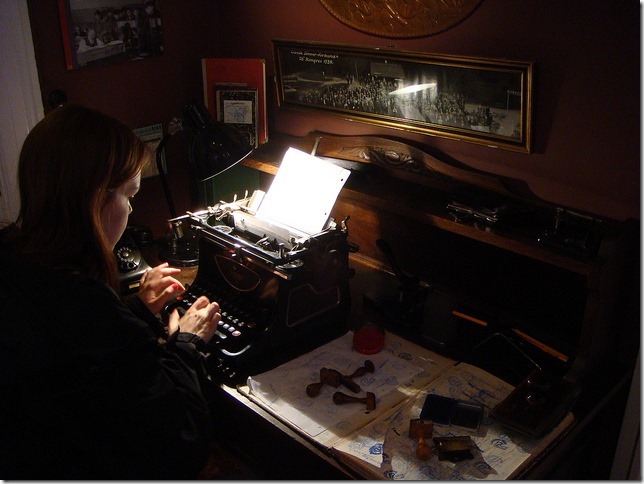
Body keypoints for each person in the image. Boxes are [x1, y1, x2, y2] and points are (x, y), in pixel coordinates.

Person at [0, 104, 221, 479]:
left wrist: (136, 309)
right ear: (95, 199)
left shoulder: (12, 258)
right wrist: (187, 343)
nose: (132, 209)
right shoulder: (88, 308)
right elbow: (181, 445)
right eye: (129, 194)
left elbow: (78, 356)